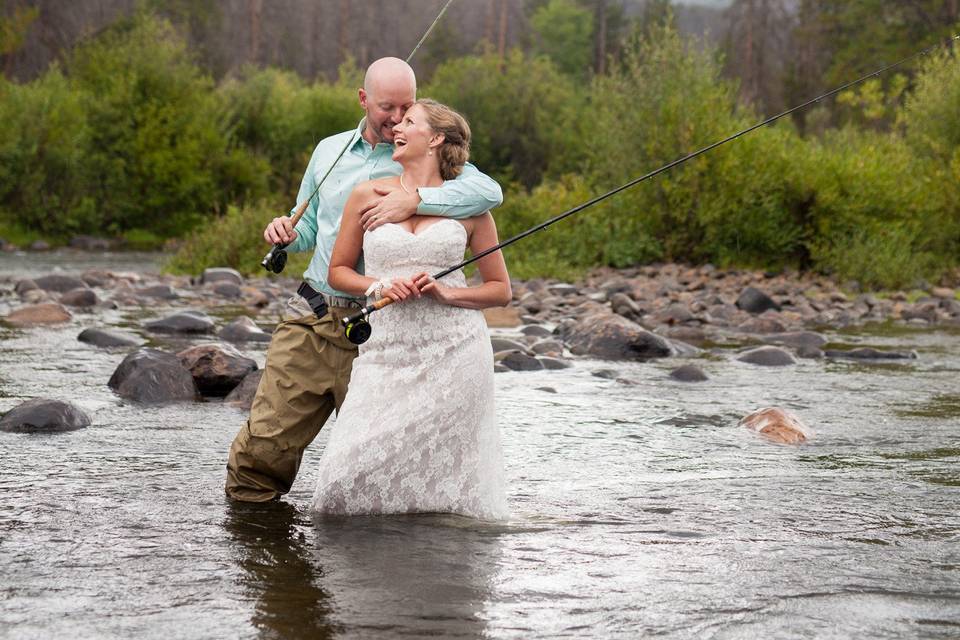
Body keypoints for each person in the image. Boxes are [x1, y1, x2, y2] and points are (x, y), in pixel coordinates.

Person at [225, 58, 502, 503]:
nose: (396, 119)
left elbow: (490, 194)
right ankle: (254, 553)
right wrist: (290, 233)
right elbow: (312, 228)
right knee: (265, 449)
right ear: (363, 99)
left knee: (382, 465)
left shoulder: (439, 164)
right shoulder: (328, 151)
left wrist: (412, 200)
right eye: (387, 107)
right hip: (318, 315)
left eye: (406, 108)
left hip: (394, 332)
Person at [310, 99, 510, 520]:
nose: (397, 126)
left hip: (457, 355)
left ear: (435, 139)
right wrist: (379, 284)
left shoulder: (473, 207)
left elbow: (499, 290)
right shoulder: (366, 194)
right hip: (386, 354)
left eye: (410, 121)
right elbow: (339, 272)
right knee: (339, 485)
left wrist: (446, 294)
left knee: (446, 494)